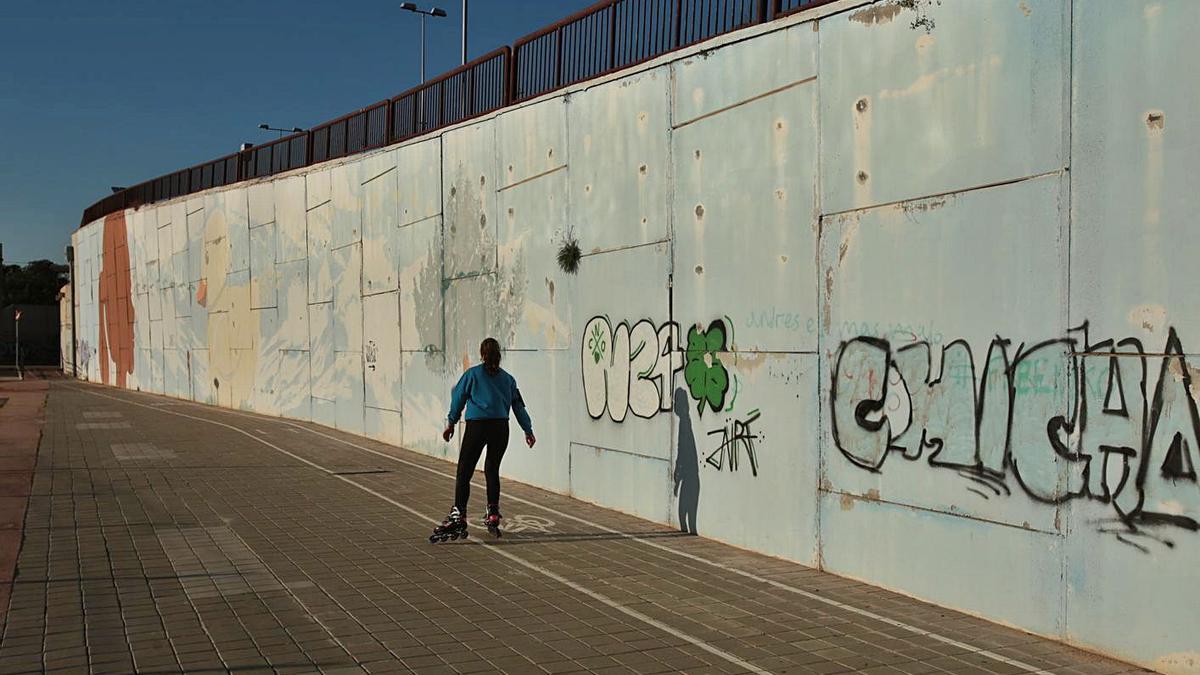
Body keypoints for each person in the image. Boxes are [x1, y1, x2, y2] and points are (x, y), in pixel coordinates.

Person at [432, 337, 535, 541]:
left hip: (477, 427)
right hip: (500, 427)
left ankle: (459, 514)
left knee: (464, 470)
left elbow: (458, 398)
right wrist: (528, 430)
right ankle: (493, 511)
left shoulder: (472, 375)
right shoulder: (508, 379)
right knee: (492, 469)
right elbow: (518, 406)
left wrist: (451, 422)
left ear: (482, 354)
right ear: (499, 355)